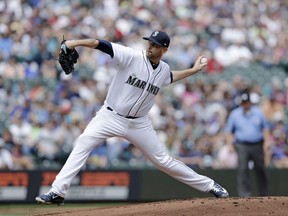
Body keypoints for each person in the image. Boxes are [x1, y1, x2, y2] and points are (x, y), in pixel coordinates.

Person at [35, 30, 229, 205]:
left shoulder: (162, 70)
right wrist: (73, 43)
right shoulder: (131, 56)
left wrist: (193, 71)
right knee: (84, 141)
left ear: (164, 49)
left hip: (139, 123)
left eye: (154, 45)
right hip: (110, 116)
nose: (150, 46)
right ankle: (57, 192)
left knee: (162, 160)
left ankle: (211, 186)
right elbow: (98, 43)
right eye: (149, 43)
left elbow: (171, 76)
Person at [225, 91, 270, 197]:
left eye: (247, 102)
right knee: (243, 169)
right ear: (241, 103)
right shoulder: (235, 114)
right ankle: (244, 194)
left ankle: (264, 194)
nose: (246, 104)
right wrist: (230, 145)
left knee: (260, 169)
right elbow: (228, 131)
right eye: (244, 102)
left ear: (250, 102)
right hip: (242, 145)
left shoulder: (258, 112)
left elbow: (265, 128)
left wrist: (267, 142)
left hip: (257, 144)